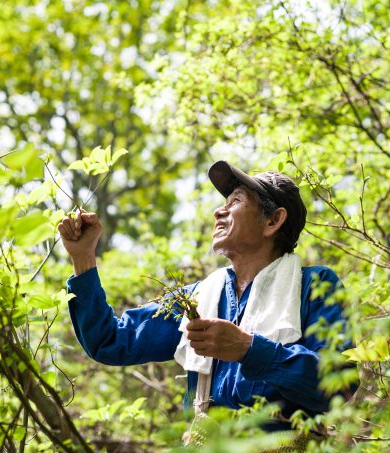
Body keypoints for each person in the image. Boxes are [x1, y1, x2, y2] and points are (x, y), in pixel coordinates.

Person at [58, 160, 349, 429]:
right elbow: (110, 341)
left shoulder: (313, 286)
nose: (218, 211)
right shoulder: (196, 298)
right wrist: (83, 258)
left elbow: (339, 384)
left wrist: (248, 349)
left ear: (273, 221)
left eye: (235, 201)